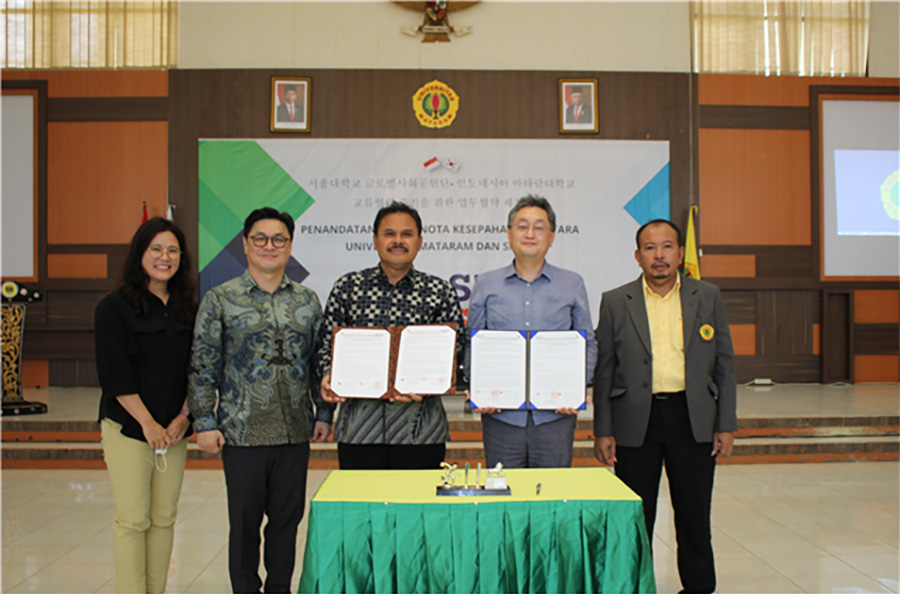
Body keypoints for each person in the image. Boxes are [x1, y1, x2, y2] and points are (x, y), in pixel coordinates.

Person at [188, 207, 331, 594]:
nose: (270, 246)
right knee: (245, 525)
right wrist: (204, 421)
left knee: (287, 523)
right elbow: (203, 363)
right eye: (261, 239)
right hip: (241, 431)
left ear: (290, 245)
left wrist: (325, 413)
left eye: (279, 239)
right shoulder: (221, 299)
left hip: (294, 431)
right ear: (245, 245)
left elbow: (320, 362)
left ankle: (280, 589)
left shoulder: (307, 300)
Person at [593, 218, 736, 594]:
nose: (659, 255)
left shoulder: (707, 296)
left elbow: (725, 364)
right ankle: (636, 587)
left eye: (667, 246)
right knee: (636, 518)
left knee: (693, 517)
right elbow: (604, 371)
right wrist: (602, 430)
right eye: (651, 248)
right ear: (638, 256)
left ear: (681, 253)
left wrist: (726, 424)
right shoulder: (615, 301)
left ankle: (699, 588)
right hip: (633, 422)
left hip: (692, 420)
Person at [318, 201, 465, 470]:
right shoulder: (348, 287)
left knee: (417, 508)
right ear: (375, 240)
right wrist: (329, 373)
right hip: (360, 430)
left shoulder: (439, 291)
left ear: (420, 242)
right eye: (389, 234)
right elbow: (327, 345)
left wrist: (430, 382)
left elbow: (455, 352)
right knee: (362, 510)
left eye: (407, 234)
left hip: (421, 431)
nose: (398, 241)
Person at [95, 217, 197, 594]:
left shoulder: (188, 306)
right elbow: (114, 373)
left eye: (172, 250)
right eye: (156, 249)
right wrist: (148, 424)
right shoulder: (114, 307)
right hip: (129, 428)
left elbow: (197, 367)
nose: (164, 257)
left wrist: (184, 418)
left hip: (174, 430)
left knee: (164, 517)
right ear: (140, 253)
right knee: (134, 518)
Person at [467, 195, 597, 468]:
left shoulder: (572, 283)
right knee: (504, 498)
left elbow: (588, 342)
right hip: (501, 415)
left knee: (551, 499)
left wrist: (575, 388)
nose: (530, 233)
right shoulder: (487, 284)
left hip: (555, 416)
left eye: (539, 227)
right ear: (509, 233)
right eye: (522, 225)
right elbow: (473, 343)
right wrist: (478, 387)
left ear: (551, 237)